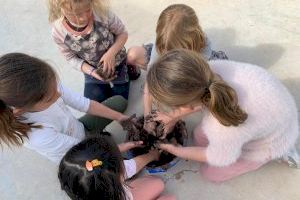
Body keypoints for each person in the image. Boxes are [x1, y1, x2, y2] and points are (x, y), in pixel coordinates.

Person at [147, 49, 299, 182]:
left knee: (210, 173)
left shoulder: (223, 126)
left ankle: (284, 153)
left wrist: (176, 150)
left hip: (273, 140)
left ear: (189, 103)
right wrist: (172, 117)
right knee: (199, 137)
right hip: (274, 107)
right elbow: (194, 100)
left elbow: (220, 158)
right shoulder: (209, 71)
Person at [0, 53, 128, 163]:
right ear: (19, 109)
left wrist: (120, 118)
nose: (59, 94)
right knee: (123, 169)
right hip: (78, 156)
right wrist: (119, 148)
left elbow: (83, 103)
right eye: (50, 98)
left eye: (56, 87)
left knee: (119, 103)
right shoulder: (37, 136)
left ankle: (99, 139)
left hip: (80, 129)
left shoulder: (44, 83)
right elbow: (82, 150)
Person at [125, 4, 227, 133]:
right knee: (133, 54)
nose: (166, 53)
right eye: (165, 51)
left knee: (212, 92)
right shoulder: (164, 42)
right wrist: (147, 116)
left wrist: (172, 117)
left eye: (171, 51)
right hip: (177, 64)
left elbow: (204, 92)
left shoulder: (202, 51)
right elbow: (151, 77)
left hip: (193, 67)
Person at [48, 0, 140, 103]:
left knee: (120, 101)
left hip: (117, 62)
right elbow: (70, 58)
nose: (84, 17)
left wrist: (111, 54)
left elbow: (122, 33)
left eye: (87, 10)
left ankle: (128, 66)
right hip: (92, 69)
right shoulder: (58, 32)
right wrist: (92, 72)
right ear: (60, 8)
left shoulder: (102, 14)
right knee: (95, 102)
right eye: (75, 14)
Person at [58, 135, 176, 200]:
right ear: (116, 180)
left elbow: (97, 164)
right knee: (167, 194)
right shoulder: (111, 180)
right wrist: (152, 155)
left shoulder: (86, 187)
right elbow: (130, 167)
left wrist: (112, 152)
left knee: (157, 184)